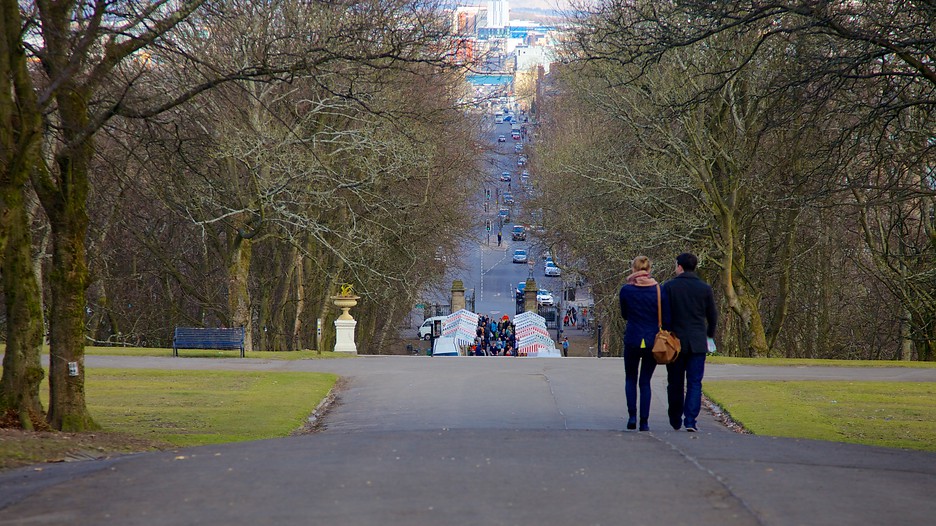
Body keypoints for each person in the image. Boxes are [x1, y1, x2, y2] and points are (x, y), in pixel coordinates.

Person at [663, 252, 718, 432]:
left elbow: (665, 314)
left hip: (675, 342)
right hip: (697, 341)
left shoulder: (670, 287)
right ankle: (690, 420)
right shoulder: (704, 288)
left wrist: (667, 332)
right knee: (695, 382)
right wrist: (708, 334)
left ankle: (675, 417)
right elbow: (712, 315)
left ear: (679, 266)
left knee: (675, 382)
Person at [618, 256, 668, 431]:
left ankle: (632, 416)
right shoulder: (659, 290)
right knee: (645, 381)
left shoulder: (626, 291)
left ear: (634, 269)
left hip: (633, 337)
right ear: (649, 270)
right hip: (651, 339)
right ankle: (644, 421)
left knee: (630, 378)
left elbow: (625, 314)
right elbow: (665, 316)